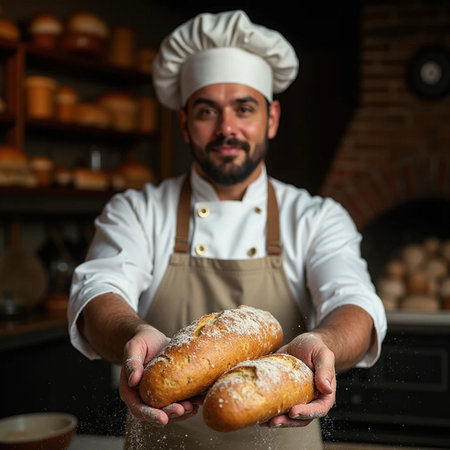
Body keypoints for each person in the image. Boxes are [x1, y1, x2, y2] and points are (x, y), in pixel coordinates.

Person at [68, 9, 387, 450]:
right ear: (184, 123)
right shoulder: (137, 210)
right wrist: (132, 335)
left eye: (244, 108)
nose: (227, 129)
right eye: (206, 111)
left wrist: (324, 341)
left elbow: (354, 299)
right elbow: (98, 289)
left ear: (271, 118)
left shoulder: (315, 217)